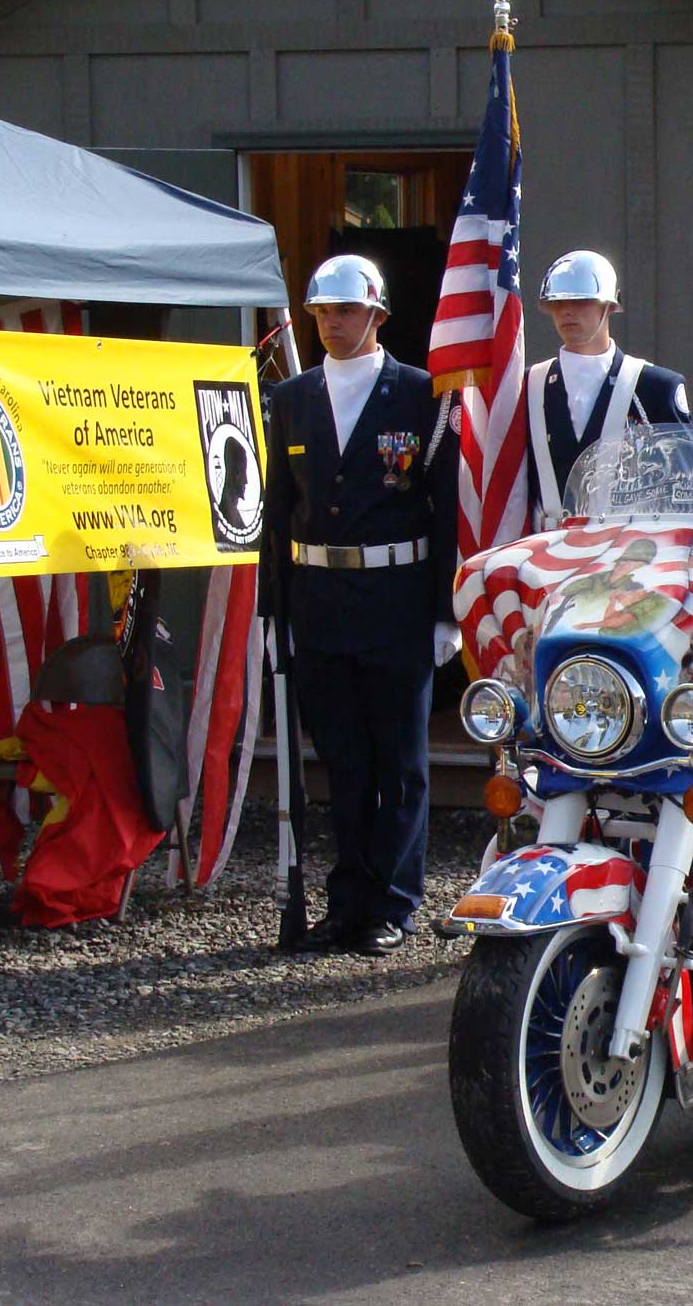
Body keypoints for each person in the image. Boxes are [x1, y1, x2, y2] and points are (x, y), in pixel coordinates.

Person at [260, 255, 460, 956]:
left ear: (376, 315)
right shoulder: (291, 397)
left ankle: (394, 903)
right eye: (321, 312)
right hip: (319, 601)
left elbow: (445, 510)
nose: (332, 324)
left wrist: (447, 609)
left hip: (398, 599)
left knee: (400, 763)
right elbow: (276, 513)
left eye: (345, 311)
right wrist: (271, 614)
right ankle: (346, 902)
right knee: (343, 763)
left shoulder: (421, 393)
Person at [525, 250, 689, 529]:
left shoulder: (654, 388)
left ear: (609, 307)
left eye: (583, 301)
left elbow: (686, 488)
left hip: (629, 555)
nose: (567, 311)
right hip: (548, 557)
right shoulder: (529, 386)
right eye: (559, 301)